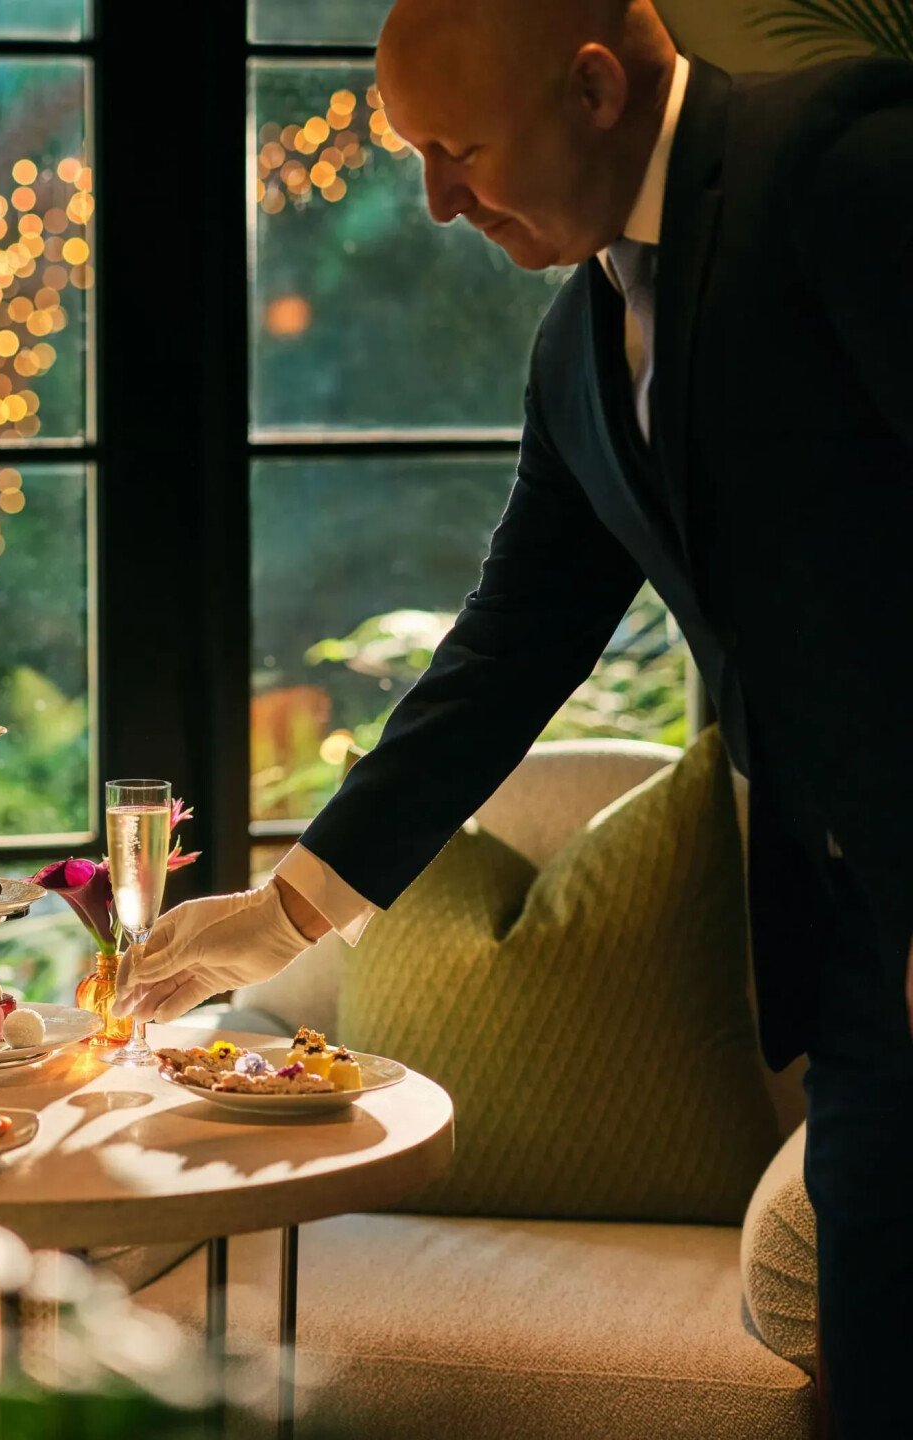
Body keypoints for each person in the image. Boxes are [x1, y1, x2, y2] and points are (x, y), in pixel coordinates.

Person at [118, 0, 913, 1430]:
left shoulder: (843, 168)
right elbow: (507, 651)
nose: (437, 202)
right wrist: (286, 914)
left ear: (595, 89)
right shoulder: (579, 347)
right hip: (857, 960)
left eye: (460, 150)